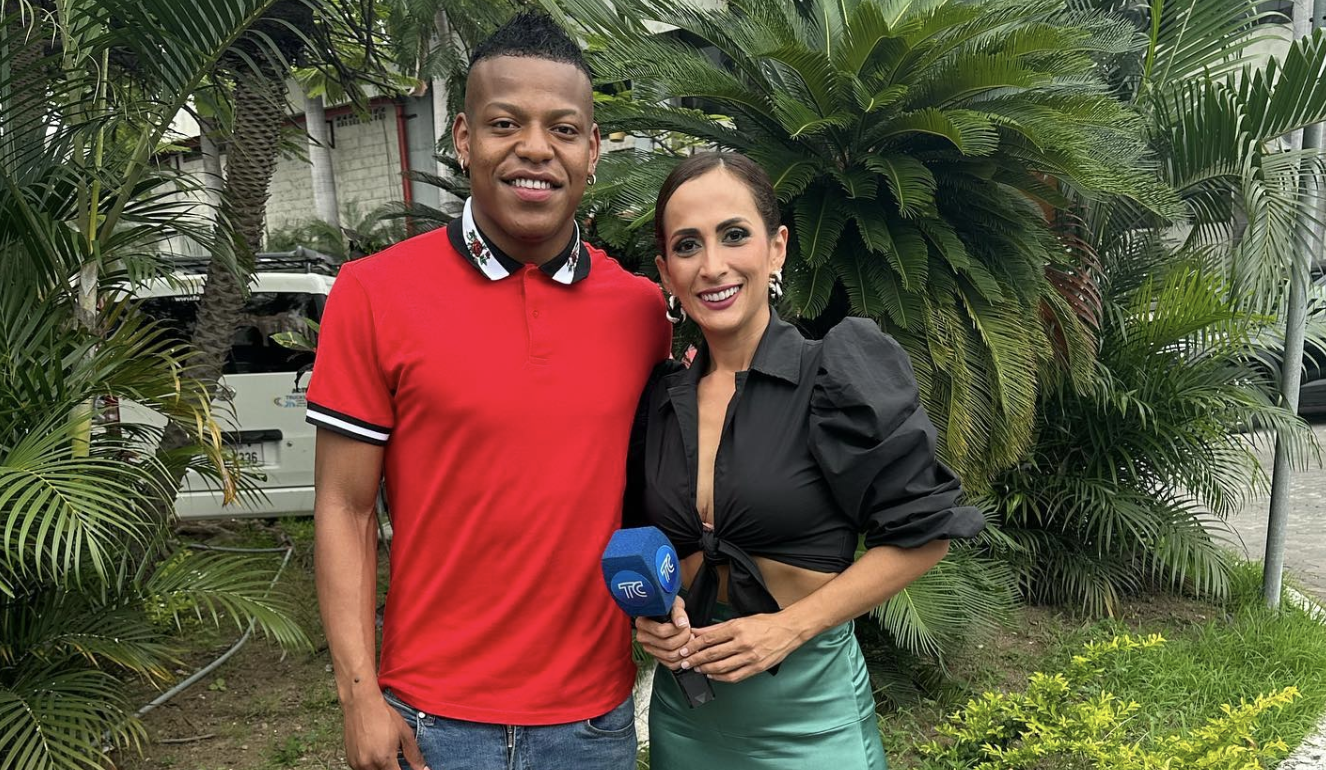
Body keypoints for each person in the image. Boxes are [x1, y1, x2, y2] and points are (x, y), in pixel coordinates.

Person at [306, 12, 670, 770]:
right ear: (465, 139)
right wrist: (358, 697)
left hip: (593, 724)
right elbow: (344, 507)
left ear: (593, 149)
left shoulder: (640, 312)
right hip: (430, 722)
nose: (535, 148)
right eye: (506, 124)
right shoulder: (374, 293)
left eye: (563, 129)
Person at [627, 151, 986, 769]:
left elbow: (925, 536)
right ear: (666, 271)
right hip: (685, 719)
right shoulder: (660, 397)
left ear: (777, 248)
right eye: (688, 245)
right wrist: (654, 615)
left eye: (734, 235)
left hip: (809, 719)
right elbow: (643, 545)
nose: (712, 266)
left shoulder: (835, 375)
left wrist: (787, 628)